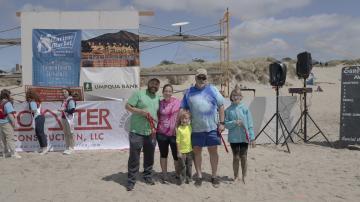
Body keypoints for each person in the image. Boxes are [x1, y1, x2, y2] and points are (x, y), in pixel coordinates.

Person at [180, 68, 225, 188]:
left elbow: (221, 106)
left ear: (206, 78)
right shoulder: (188, 92)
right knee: (197, 152)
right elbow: (184, 108)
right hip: (195, 129)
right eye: (199, 77)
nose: (201, 80)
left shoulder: (213, 89)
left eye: (203, 77)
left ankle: (214, 176)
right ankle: (199, 176)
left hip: (211, 128)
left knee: (213, 152)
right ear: (195, 78)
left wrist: (222, 123)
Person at [125, 78, 161, 191]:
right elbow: (127, 106)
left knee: (149, 156)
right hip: (137, 132)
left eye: (156, 84)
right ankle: (131, 180)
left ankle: (147, 176)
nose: (154, 86)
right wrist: (140, 112)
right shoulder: (138, 94)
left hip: (151, 132)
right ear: (148, 84)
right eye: (152, 83)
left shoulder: (158, 98)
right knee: (134, 157)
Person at [224, 86, 255, 184]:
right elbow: (226, 124)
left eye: (238, 95)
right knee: (236, 157)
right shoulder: (228, 110)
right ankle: (236, 176)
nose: (236, 97)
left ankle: (244, 176)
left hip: (244, 138)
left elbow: (250, 124)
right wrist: (234, 122)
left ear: (241, 97)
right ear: (231, 97)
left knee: (244, 157)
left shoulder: (245, 109)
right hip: (233, 138)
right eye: (234, 95)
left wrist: (252, 138)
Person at [156, 84, 181, 183]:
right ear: (163, 92)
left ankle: (178, 174)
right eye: (166, 91)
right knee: (163, 154)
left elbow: (183, 114)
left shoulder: (178, 102)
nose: (167, 93)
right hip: (161, 133)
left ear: (172, 92)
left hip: (175, 133)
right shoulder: (159, 103)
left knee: (176, 155)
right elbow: (156, 115)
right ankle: (164, 174)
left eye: (169, 91)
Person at [26, 90, 49, 155]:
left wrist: (30, 110)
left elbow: (34, 110)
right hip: (39, 117)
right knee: (38, 133)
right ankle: (42, 147)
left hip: (38, 117)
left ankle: (45, 148)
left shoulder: (32, 102)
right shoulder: (36, 101)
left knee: (40, 133)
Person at [0, 89, 21, 158]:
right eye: (10, 94)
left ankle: (4, 153)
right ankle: (14, 153)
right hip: (6, 123)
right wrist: (14, 123)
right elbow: (10, 115)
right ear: (7, 95)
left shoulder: (1, 102)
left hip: (0, 123)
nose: (11, 95)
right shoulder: (7, 103)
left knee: (2, 139)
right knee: (10, 138)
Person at [176, 110, 193, 185]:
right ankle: (182, 178)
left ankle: (189, 178)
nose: (184, 120)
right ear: (180, 119)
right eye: (183, 118)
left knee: (189, 165)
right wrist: (178, 151)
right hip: (182, 151)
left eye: (186, 118)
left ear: (189, 120)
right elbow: (178, 141)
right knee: (182, 166)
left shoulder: (190, 127)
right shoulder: (179, 129)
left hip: (189, 150)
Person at [59, 88, 76, 155]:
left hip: (69, 118)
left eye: (65, 92)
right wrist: (61, 110)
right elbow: (63, 108)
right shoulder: (64, 100)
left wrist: (64, 110)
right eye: (63, 92)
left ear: (69, 92)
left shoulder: (70, 100)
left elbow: (72, 110)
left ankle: (71, 148)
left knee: (70, 133)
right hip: (64, 118)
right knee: (66, 133)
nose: (64, 93)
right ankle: (67, 147)